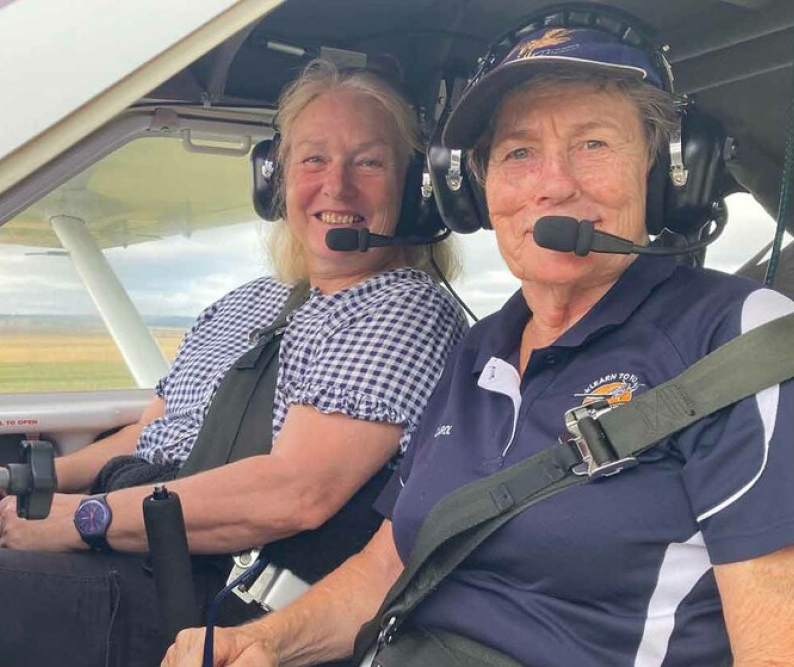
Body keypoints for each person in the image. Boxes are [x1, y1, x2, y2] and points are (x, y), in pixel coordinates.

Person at [164, 12, 794, 667]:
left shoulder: (731, 338)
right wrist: (262, 640)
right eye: (520, 151)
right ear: (474, 191)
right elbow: (390, 564)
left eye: (594, 144)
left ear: (665, 172)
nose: (554, 182)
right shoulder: (480, 351)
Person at [0, 61, 466, 667]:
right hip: (140, 530)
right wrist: (31, 483)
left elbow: (294, 492)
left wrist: (78, 521)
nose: (336, 184)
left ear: (413, 190)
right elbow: (159, 425)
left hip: (202, 589)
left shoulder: (401, 308)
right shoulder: (252, 301)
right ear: (275, 179)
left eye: (369, 162)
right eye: (313, 158)